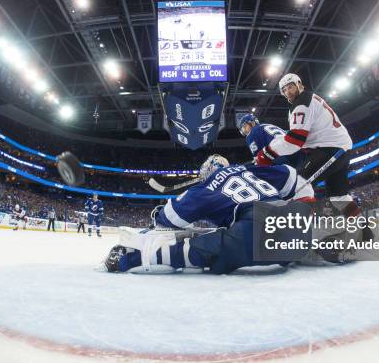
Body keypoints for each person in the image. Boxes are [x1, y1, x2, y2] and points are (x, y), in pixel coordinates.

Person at [103, 154, 319, 274]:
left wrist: (159, 214)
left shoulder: (206, 187)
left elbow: (168, 218)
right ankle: (335, 239)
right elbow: (290, 175)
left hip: (256, 234)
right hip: (294, 222)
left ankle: (130, 258)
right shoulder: (250, 170)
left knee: (201, 246)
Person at [256, 73, 360, 217]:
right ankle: (364, 234)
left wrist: (266, 153)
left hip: (332, 148)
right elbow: (298, 136)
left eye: (290, 87)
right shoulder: (307, 99)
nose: (288, 92)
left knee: (298, 183)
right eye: (284, 90)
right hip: (339, 148)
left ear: (300, 84)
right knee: (339, 197)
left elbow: (295, 141)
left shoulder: (301, 103)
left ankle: (301, 234)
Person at [238, 113, 302, 166]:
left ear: (252, 123)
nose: (244, 131)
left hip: (283, 157)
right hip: (297, 150)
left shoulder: (252, 133)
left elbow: (259, 159)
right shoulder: (265, 126)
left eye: (244, 127)